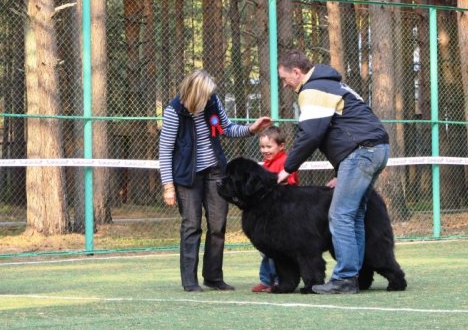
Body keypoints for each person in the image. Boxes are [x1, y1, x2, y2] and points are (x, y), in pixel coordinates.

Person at [274, 50, 390, 294]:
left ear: (297, 72)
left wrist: (287, 168)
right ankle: (355, 276)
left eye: (284, 78)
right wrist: (342, 170)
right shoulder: (333, 84)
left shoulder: (312, 90)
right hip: (374, 150)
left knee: (340, 216)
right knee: (355, 215)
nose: (284, 84)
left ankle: (345, 278)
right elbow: (347, 126)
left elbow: (311, 135)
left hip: (362, 152)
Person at [158, 69, 271, 292]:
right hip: (187, 178)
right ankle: (190, 281)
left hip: (215, 173)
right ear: (193, 93)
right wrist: (168, 186)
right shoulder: (173, 112)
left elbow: (227, 129)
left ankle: (213, 277)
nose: (209, 98)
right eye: (205, 95)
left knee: (218, 226)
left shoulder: (213, 102)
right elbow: (165, 150)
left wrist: (251, 129)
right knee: (191, 226)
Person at [251, 125, 299, 293]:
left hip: (282, 216)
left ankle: (280, 279)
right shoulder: (265, 164)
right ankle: (266, 280)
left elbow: (289, 184)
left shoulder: (285, 163)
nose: (265, 150)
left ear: (281, 146)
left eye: (269, 146)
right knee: (266, 250)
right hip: (268, 216)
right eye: (262, 147)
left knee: (277, 249)